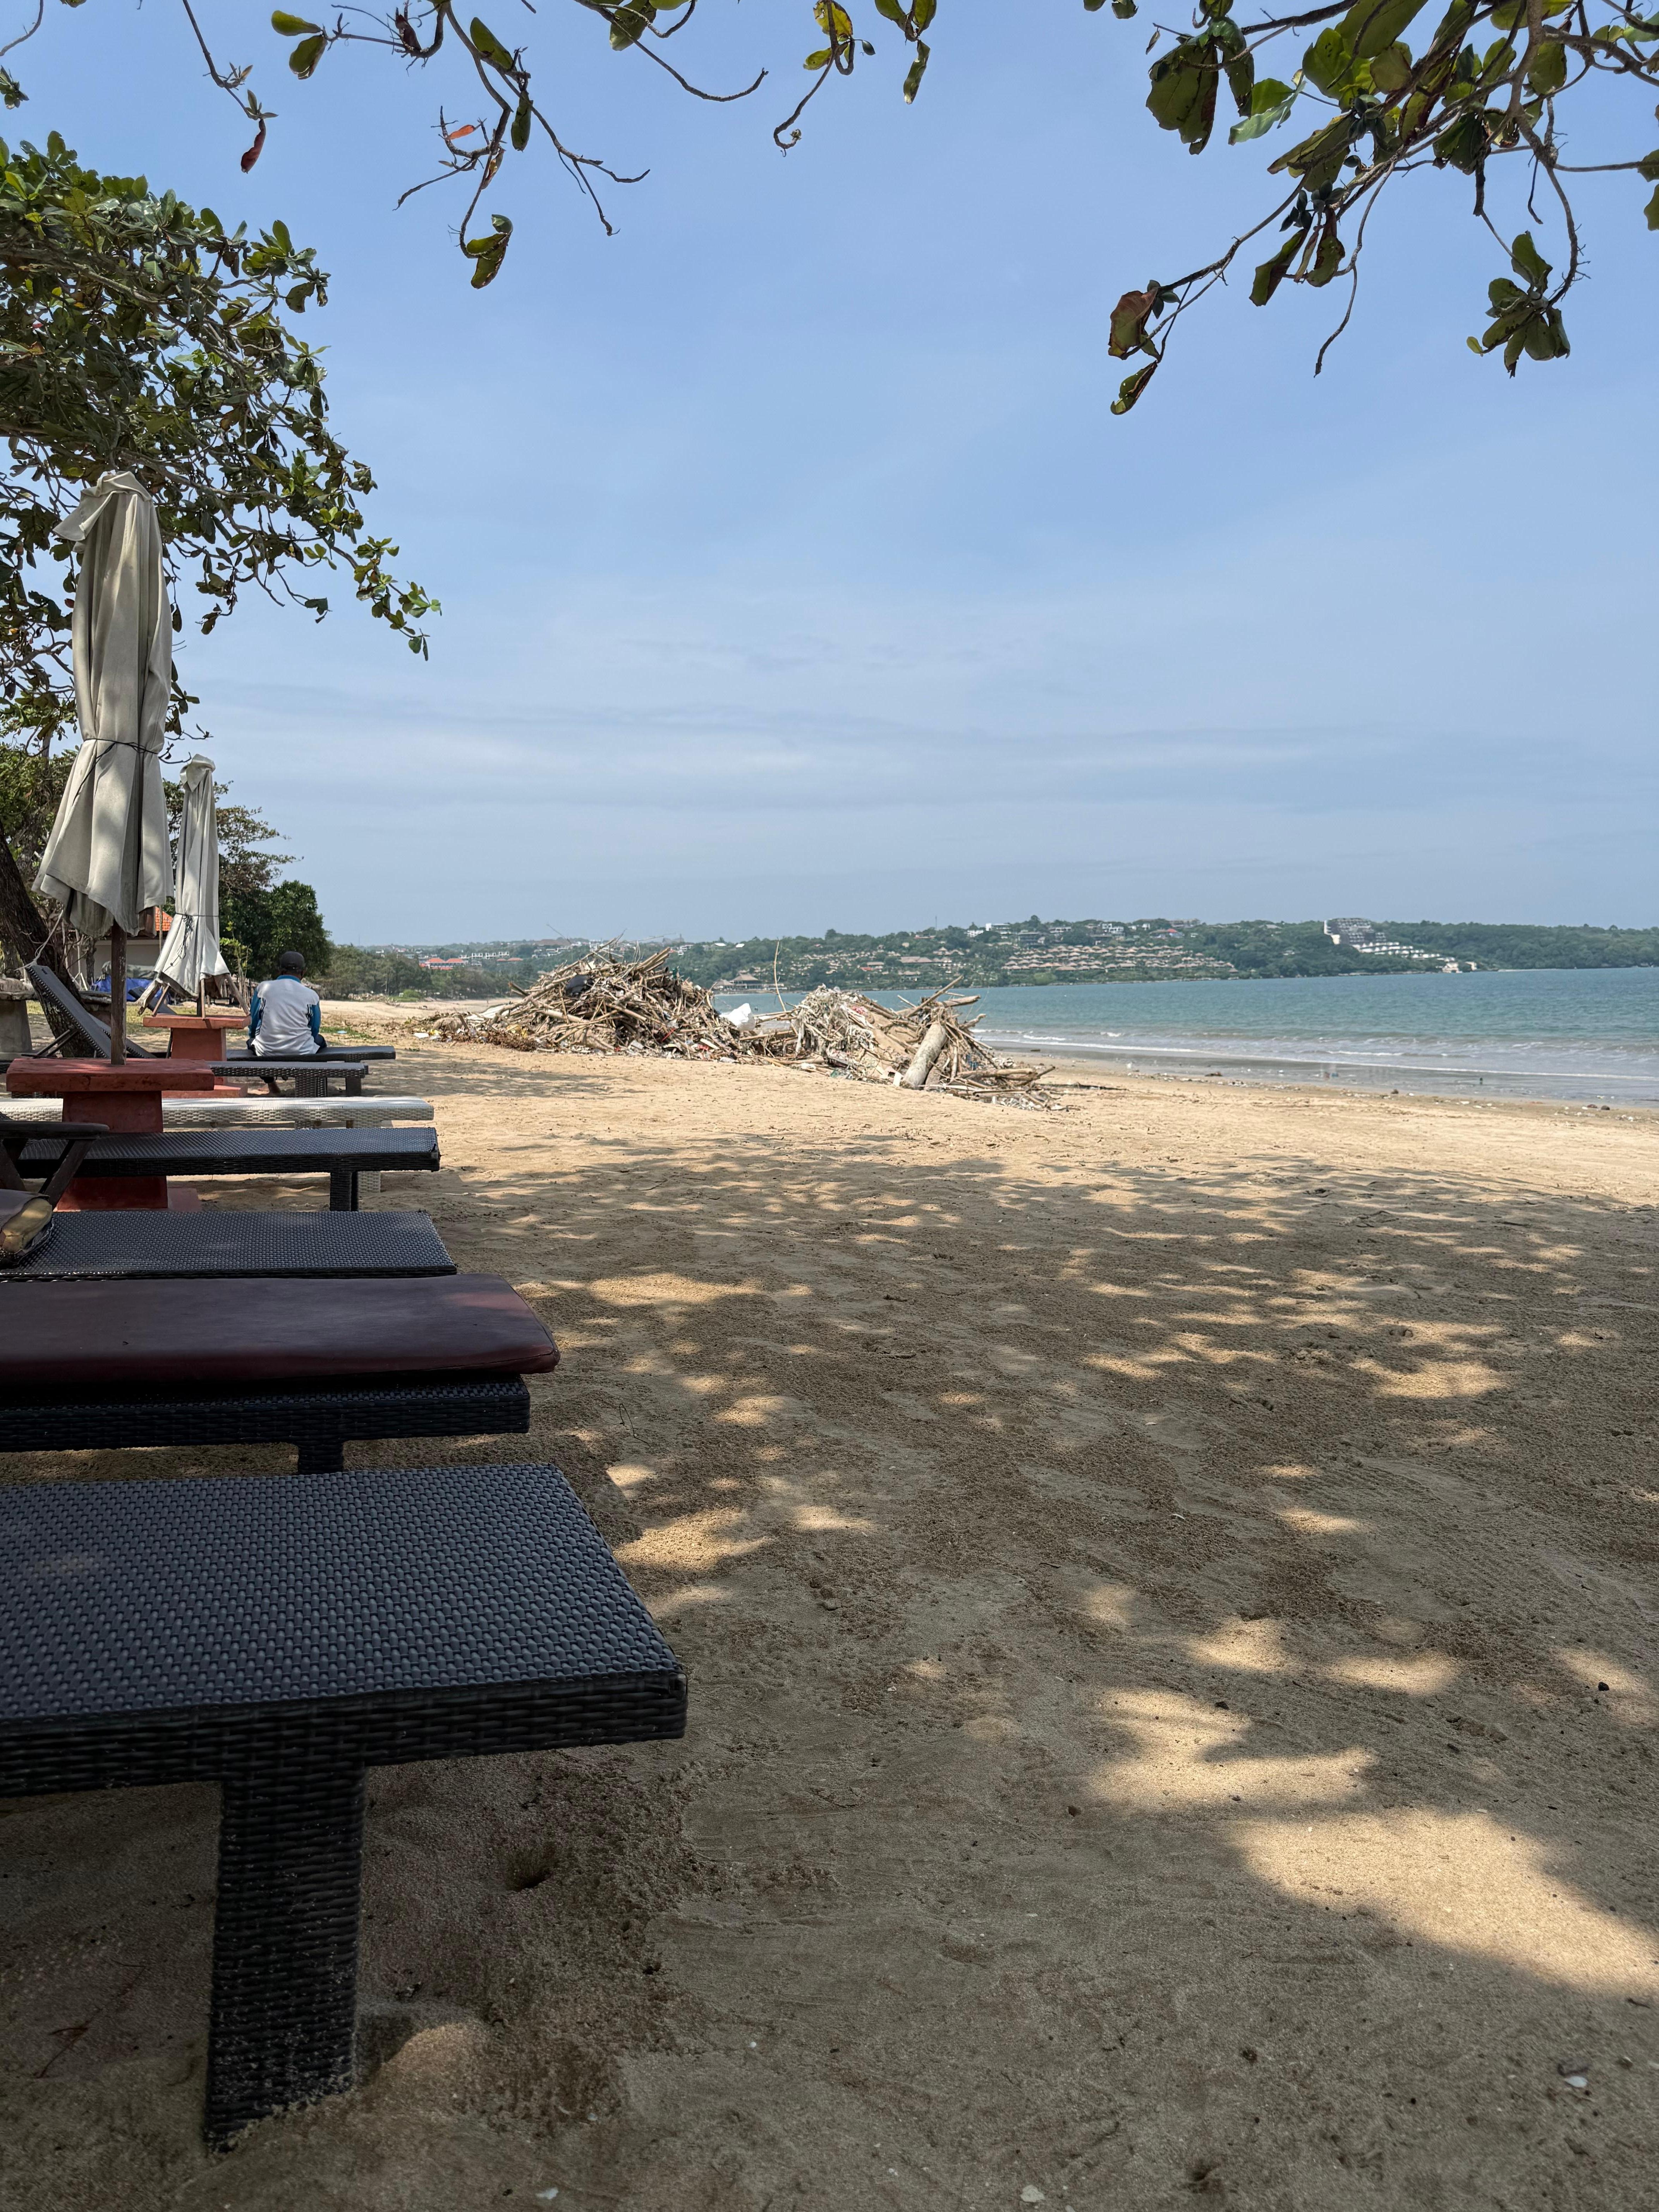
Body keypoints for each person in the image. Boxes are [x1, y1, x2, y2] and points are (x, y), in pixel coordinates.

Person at [248, 950, 325, 1058]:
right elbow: (315, 1029)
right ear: (304, 972)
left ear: (279, 970)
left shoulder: (263, 989)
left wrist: (254, 1037)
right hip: (302, 1052)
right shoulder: (312, 996)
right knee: (320, 1040)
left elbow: (254, 1022)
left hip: (265, 1052)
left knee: (251, 1042)